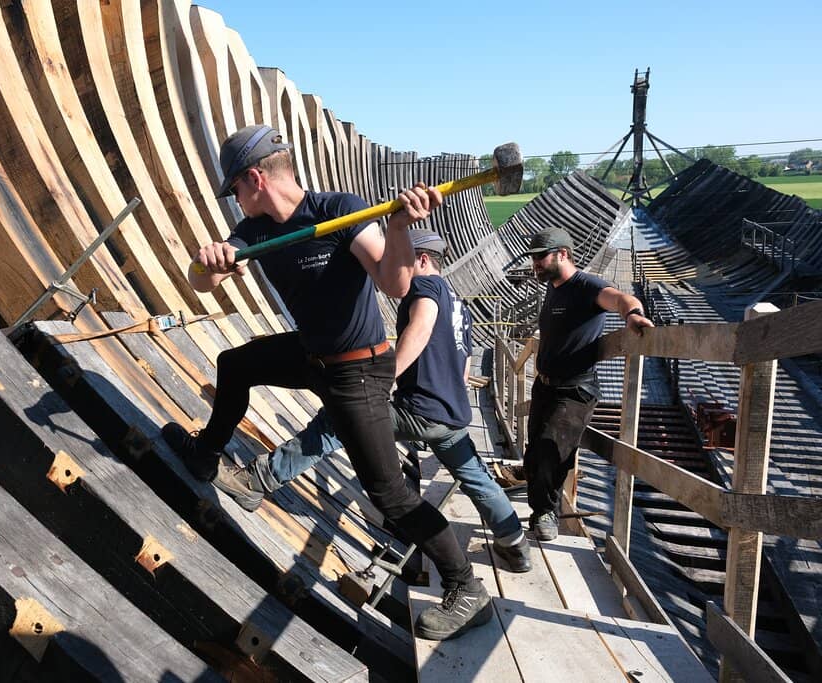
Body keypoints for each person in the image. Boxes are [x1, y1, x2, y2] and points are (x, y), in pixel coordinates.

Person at [161, 125, 491, 640]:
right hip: (313, 355)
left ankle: (466, 586)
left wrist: (400, 228)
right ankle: (207, 453)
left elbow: (395, 282)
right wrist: (207, 262)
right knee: (236, 363)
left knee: (390, 495)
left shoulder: (340, 209)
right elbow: (204, 283)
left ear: (255, 178)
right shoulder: (255, 231)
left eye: (235, 191)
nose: (236, 202)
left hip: (360, 370)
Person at [214, 228, 532, 573]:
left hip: (419, 410)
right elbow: (466, 362)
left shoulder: (426, 287)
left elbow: (421, 328)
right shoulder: (460, 306)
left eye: (405, 261)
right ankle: (514, 545)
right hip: (452, 414)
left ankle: (257, 480)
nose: (397, 268)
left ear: (423, 260)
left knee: (339, 420)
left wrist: (386, 378)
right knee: (476, 477)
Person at [521, 227, 654, 541]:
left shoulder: (586, 285)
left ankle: (544, 516)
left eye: (541, 257)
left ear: (563, 254)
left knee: (551, 452)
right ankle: (543, 513)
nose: (535, 264)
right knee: (534, 456)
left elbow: (621, 297)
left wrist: (632, 315)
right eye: (534, 258)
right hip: (545, 386)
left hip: (574, 390)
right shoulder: (554, 287)